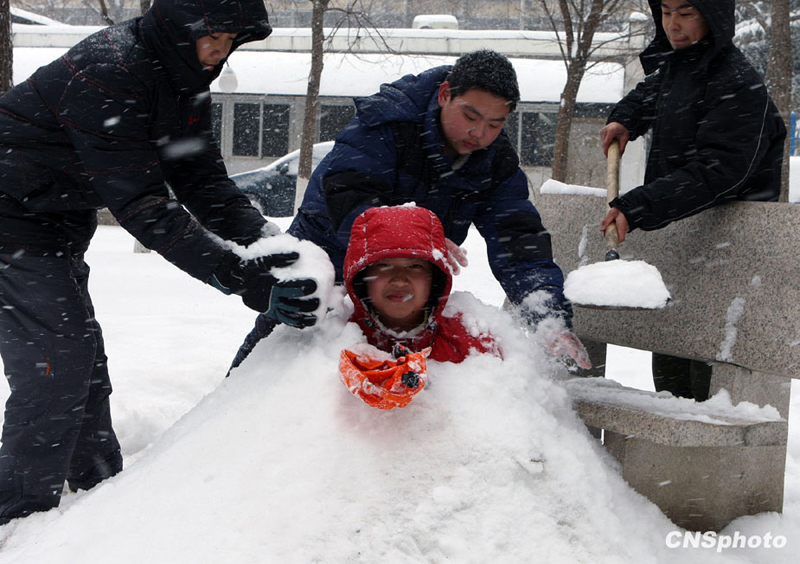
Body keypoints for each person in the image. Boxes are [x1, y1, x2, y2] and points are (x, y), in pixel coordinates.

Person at [0, 0, 320, 525]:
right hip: (11, 221)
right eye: (212, 40)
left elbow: (202, 180)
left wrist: (272, 246)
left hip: (49, 222)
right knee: (55, 370)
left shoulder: (182, 74)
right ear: (179, 26)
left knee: (80, 365)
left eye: (230, 44)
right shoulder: (111, 71)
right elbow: (145, 206)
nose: (218, 56)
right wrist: (241, 279)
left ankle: (98, 501)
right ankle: (15, 521)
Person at [233, 49, 591, 371]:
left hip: (407, 292)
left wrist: (548, 320)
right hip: (326, 259)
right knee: (276, 362)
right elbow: (346, 194)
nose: (478, 132)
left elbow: (519, 242)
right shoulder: (387, 122)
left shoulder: (494, 162)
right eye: (470, 115)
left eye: (494, 125)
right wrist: (415, 238)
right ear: (445, 94)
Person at [599, 0, 786, 400]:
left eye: (685, 13)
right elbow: (652, 93)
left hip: (732, 261)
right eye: (665, 12)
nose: (672, 25)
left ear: (712, 16)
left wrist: (639, 206)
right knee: (670, 383)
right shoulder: (678, 65)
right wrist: (625, 118)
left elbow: (719, 172)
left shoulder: (736, 82)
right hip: (685, 251)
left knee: (708, 394)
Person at [339, 205, 499, 410]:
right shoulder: (335, 341)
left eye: (415, 266)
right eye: (384, 265)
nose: (399, 279)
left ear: (435, 278)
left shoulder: (470, 342)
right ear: (361, 277)